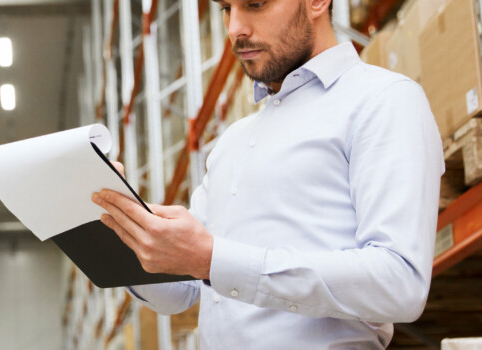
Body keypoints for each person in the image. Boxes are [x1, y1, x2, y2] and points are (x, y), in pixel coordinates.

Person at [90, 0, 443, 348]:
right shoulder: (233, 142)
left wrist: (214, 260)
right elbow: (182, 290)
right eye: (226, 8)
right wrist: (116, 221)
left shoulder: (382, 100)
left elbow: (400, 284)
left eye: (255, 4)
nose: (234, 29)